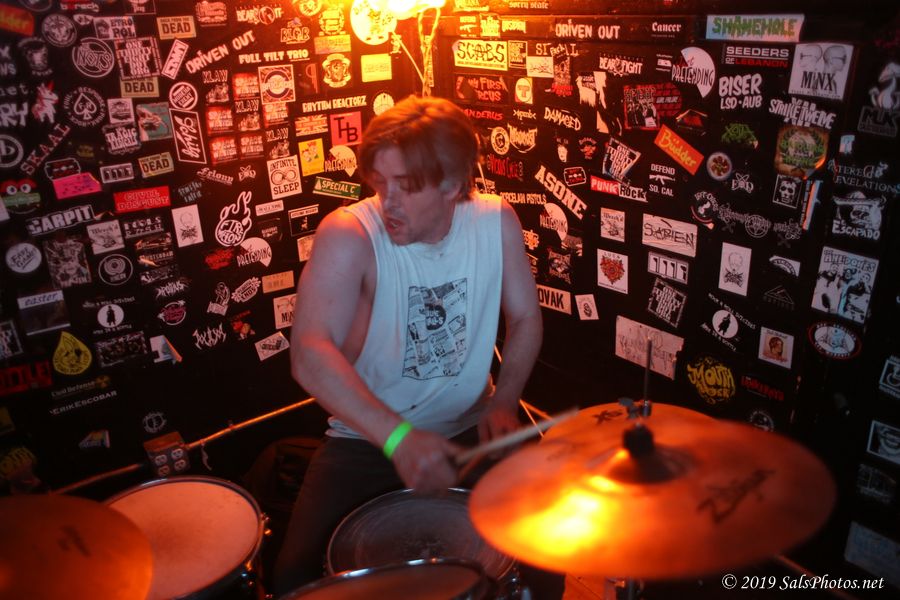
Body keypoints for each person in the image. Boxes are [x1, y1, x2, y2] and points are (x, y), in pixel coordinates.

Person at [272, 95, 559, 597]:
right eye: (380, 182)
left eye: (405, 186)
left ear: (452, 185)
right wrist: (399, 438)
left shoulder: (494, 221)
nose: (388, 202)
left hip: (472, 429)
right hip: (368, 439)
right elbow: (310, 354)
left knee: (544, 561)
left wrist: (505, 399)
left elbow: (525, 317)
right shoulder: (350, 233)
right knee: (296, 583)